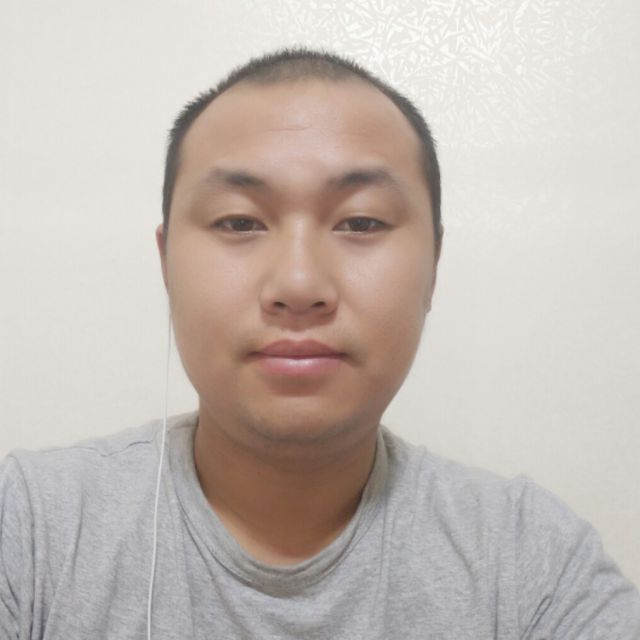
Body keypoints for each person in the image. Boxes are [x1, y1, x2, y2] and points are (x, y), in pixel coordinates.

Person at [1, 47, 639, 639]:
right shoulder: (30, 528)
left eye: (361, 221)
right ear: (166, 262)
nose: (299, 285)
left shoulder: (530, 563)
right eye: (239, 221)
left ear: (434, 265)